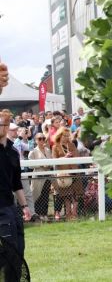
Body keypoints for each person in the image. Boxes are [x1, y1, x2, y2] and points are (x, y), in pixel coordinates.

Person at [0, 109, 31, 281]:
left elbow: (17, 183)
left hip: (11, 209)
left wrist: (25, 206)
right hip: (0, 211)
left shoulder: (12, 153)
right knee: (6, 254)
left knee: (18, 252)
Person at [28, 133, 52, 222]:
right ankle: (36, 214)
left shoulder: (48, 150)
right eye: (39, 139)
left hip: (47, 176)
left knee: (45, 196)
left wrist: (48, 165)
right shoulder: (33, 151)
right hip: (38, 176)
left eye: (43, 138)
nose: (42, 140)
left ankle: (44, 214)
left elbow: (51, 162)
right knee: (37, 195)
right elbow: (30, 165)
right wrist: (41, 164)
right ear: (36, 140)